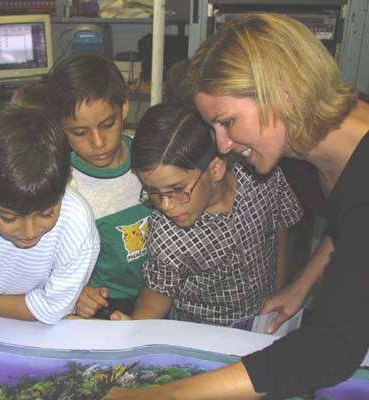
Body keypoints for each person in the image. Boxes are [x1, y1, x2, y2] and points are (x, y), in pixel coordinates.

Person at [106, 12, 369, 400]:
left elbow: (331, 348)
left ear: (282, 92)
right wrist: (301, 285)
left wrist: (168, 395)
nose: (223, 145)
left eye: (227, 122)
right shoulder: (305, 152)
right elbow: (348, 224)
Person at [110, 103, 302, 329]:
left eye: (177, 189)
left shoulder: (262, 179)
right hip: (200, 331)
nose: (166, 205)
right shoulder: (168, 234)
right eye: (153, 191)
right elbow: (157, 295)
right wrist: (132, 328)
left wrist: (278, 289)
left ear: (216, 169)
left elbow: (280, 227)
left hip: (265, 315)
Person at [0, 108, 100, 324]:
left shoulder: (76, 224)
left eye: (47, 213)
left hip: (27, 321)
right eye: (9, 218)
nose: (29, 233)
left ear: (67, 180)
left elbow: (50, 308)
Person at [47, 53, 152, 319]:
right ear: (61, 128)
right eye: (80, 133)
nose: (98, 142)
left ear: (124, 108)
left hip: (163, 294)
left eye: (108, 125)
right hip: (105, 305)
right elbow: (46, 259)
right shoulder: (61, 183)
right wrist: (78, 292)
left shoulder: (151, 156)